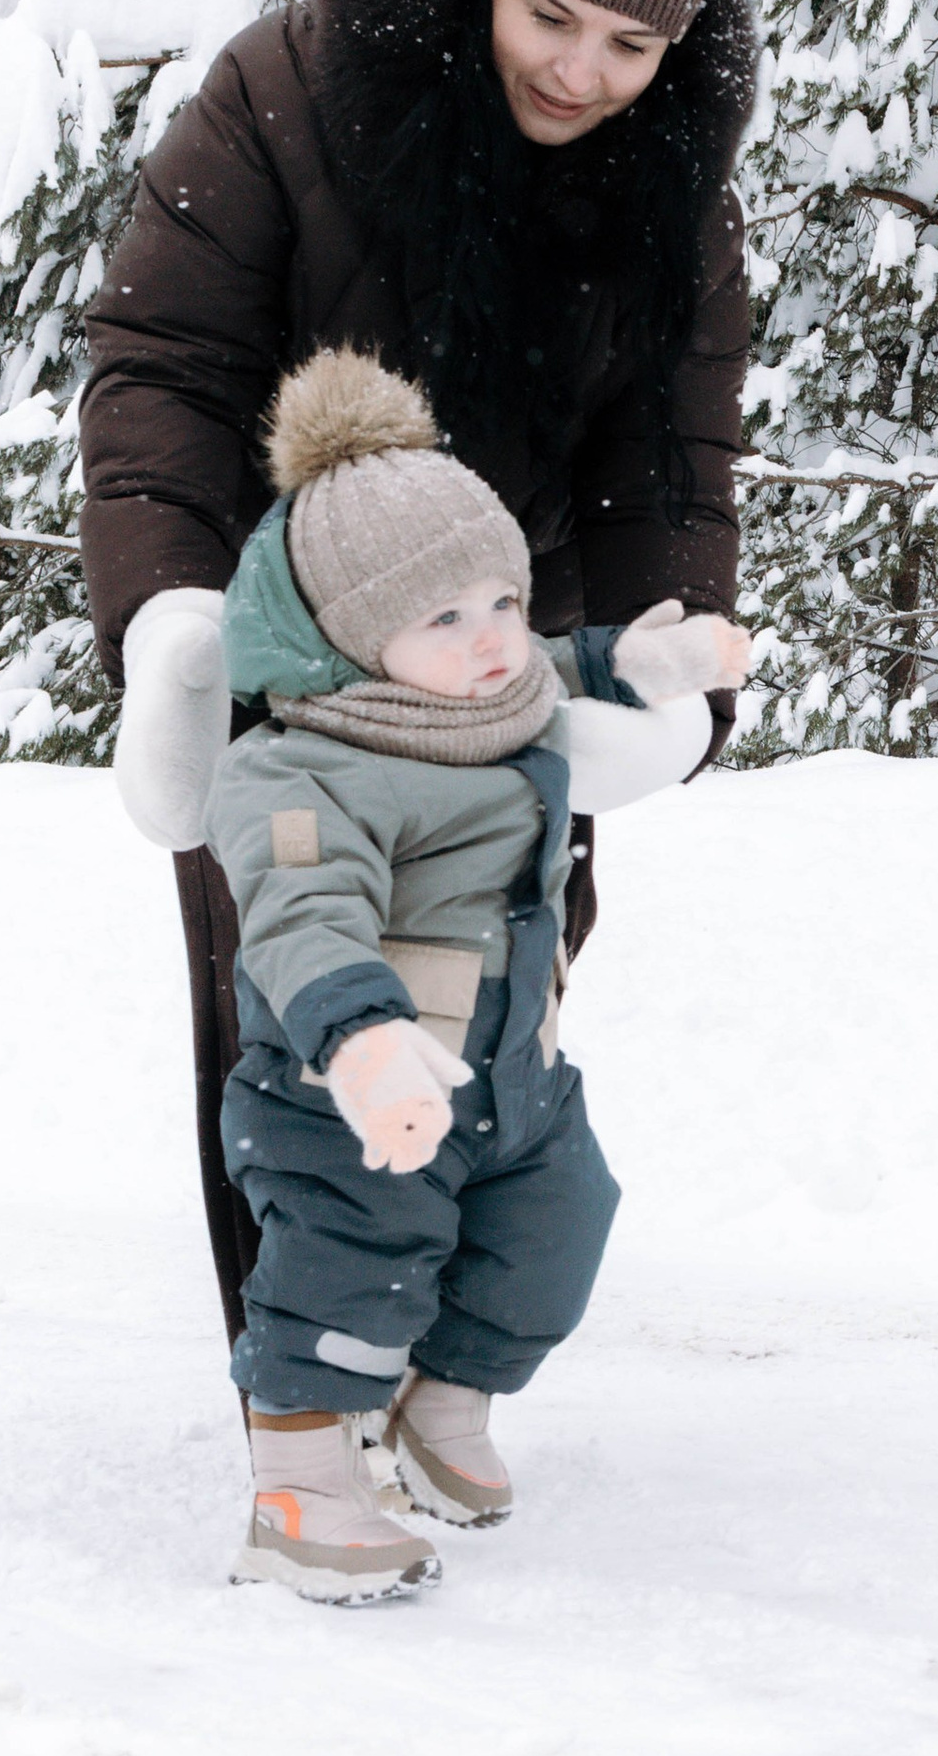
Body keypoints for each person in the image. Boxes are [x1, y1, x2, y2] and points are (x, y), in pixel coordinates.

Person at [78, 0, 757, 1353]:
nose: (585, 71)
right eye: (551, 16)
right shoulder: (283, 93)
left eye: (632, 45)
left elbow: (671, 463)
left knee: (488, 1041)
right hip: (290, 672)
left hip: (504, 686)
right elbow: (160, 365)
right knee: (303, 1033)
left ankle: (434, 1372)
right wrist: (175, 625)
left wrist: (665, 675)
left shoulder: (681, 204)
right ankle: (308, 1393)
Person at [208, 350, 750, 1603]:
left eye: (501, 598)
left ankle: (437, 1411)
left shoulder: (482, 700)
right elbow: (300, 911)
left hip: (515, 1072)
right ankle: (300, 1491)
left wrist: (638, 663)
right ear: (351, 637)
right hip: (357, 1087)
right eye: (443, 618)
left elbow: (550, 667)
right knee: (351, 1264)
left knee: (561, 1228)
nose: (495, 640)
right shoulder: (305, 767)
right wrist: (359, 1040)